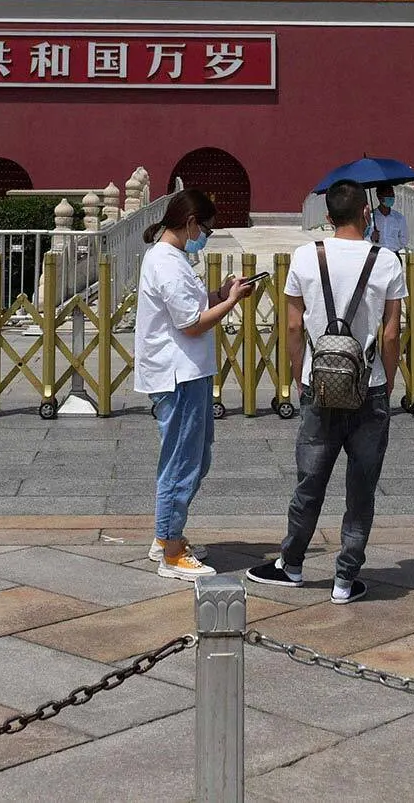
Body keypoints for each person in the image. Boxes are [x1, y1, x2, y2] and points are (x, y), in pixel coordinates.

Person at [247, 180, 405, 604]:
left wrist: (301, 378)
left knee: (309, 481)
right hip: (367, 388)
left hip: (319, 387)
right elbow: (391, 334)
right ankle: (344, 579)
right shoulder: (386, 261)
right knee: (361, 487)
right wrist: (386, 381)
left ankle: (293, 564)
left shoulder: (305, 256)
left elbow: (294, 326)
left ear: (329, 217)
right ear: (366, 214)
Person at [136, 189, 252, 580]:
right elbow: (191, 324)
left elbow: (194, 306)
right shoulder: (166, 262)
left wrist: (221, 293)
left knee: (193, 458)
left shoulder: (173, 258)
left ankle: (165, 534)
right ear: (189, 223)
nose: (205, 235)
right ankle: (171, 550)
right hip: (178, 374)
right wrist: (231, 302)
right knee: (183, 462)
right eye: (205, 228)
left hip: (188, 371)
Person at [369, 185, 410, 254]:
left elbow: (404, 239)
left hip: (394, 254)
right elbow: (363, 238)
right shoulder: (370, 217)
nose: (391, 197)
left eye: (392, 195)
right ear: (379, 197)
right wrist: (371, 238)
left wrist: (395, 248)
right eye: (388, 194)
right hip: (376, 255)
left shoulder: (399, 218)